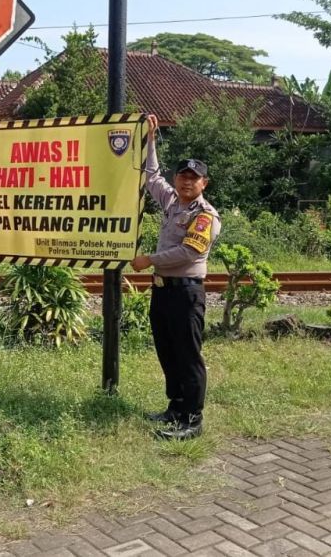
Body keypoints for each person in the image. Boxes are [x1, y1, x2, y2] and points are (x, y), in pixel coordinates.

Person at [130, 114, 221, 441]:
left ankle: (192, 420)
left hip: (186, 293)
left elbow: (189, 252)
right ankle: (176, 407)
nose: (186, 182)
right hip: (163, 291)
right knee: (167, 350)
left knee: (188, 355)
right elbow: (152, 176)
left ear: (204, 183)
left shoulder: (205, 216)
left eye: (194, 178)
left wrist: (149, 260)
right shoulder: (171, 201)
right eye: (183, 176)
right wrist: (151, 139)